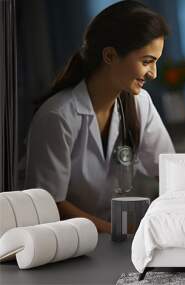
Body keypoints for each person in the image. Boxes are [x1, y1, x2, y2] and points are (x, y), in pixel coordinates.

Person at [25, 0, 175, 233]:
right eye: (147, 61)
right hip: (67, 242)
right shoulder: (58, 116)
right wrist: (119, 232)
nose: (153, 74)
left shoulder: (140, 103)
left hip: (114, 238)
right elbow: (51, 203)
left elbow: (168, 170)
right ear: (109, 56)